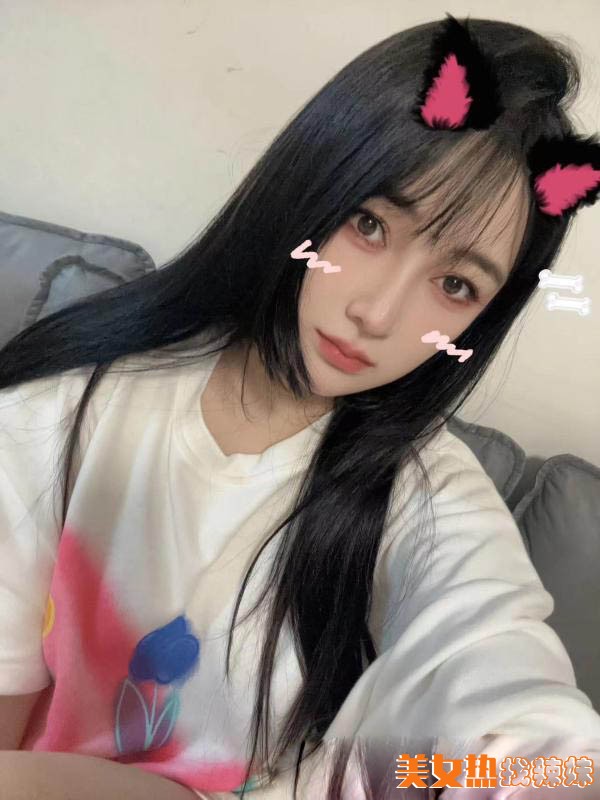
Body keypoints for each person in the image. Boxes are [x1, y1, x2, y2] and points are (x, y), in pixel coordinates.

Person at [0, 12, 599, 800]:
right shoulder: (64, 409)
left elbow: (536, 737)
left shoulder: (428, 503)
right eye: (369, 224)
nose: (377, 314)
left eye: (456, 285)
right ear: (312, 181)